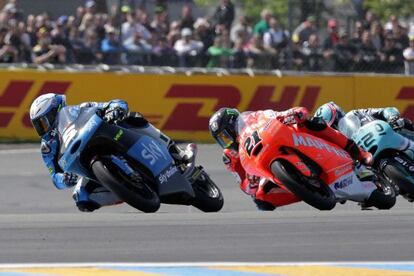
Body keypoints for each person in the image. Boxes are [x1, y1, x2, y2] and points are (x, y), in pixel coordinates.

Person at [29, 93, 196, 212]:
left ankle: (178, 153)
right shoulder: (48, 147)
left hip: (109, 136)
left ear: (56, 110)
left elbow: (112, 103)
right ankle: (127, 191)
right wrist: (64, 179)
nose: (44, 127)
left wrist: (114, 109)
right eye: (39, 125)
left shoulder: (80, 109)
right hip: (85, 167)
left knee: (134, 118)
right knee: (82, 199)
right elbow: (54, 177)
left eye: (45, 121)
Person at [208, 107, 373, 210]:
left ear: (233, 124)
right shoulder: (230, 157)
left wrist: (291, 114)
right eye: (222, 140)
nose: (227, 142)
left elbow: (275, 115)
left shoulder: (255, 117)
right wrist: (251, 182)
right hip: (267, 172)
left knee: (312, 123)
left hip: (282, 140)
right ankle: (308, 191)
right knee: (260, 199)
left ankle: (357, 152)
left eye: (226, 135)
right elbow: (244, 185)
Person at [314, 101, 414, 132]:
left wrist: (392, 117)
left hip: (390, 135)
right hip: (371, 160)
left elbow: (386, 110)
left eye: (335, 124)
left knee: (403, 123)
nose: (335, 129)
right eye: (331, 128)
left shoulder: (357, 113)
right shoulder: (339, 144)